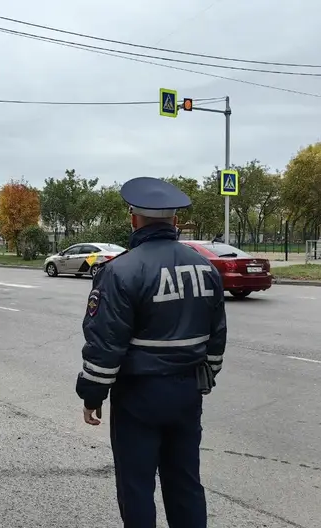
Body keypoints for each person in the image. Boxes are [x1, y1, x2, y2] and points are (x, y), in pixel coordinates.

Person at [74, 177, 227, 528]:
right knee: (186, 483)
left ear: (133, 219)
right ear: (175, 222)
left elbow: (105, 344)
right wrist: (205, 377)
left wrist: (92, 396)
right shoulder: (205, 267)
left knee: (137, 486)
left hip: (139, 395)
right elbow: (217, 335)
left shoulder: (121, 270)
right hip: (187, 391)